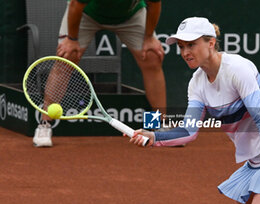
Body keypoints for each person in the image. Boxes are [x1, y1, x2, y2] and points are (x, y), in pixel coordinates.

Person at [129, 17, 260, 204]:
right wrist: (154, 137)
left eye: (191, 44)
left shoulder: (238, 68)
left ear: (211, 43)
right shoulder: (196, 83)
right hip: (255, 163)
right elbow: (189, 131)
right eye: (181, 46)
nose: (185, 52)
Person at [33, 0, 167, 147]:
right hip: (86, 14)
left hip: (131, 16)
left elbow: (155, 3)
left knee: (152, 56)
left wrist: (149, 38)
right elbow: (76, 5)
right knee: (67, 57)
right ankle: (44, 124)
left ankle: (161, 125)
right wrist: (71, 39)